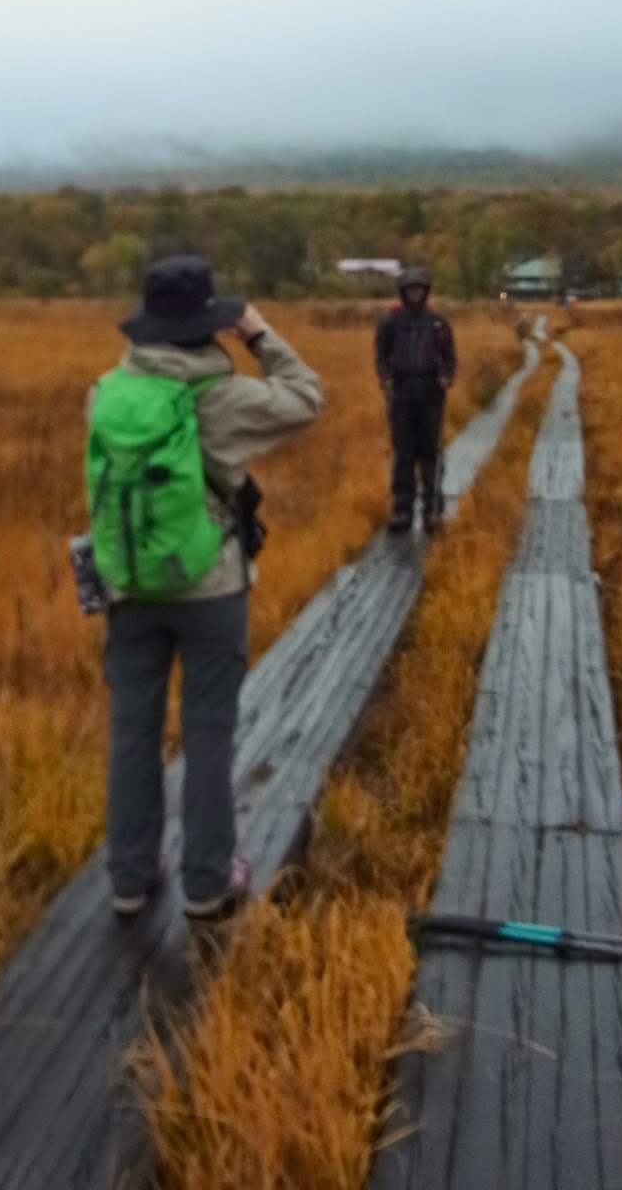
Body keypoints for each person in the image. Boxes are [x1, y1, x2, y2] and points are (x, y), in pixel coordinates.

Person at [87, 254, 323, 921]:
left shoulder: (105, 393)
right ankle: (206, 883)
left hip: (129, 587)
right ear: (206, 325)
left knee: (132, 728)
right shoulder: (224, 398)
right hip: (211, 587)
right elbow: (307, 395)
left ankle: (130, 878)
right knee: (208, 729)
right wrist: (256, 333)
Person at [374, 266, 456, 533]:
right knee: (404, 453)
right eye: (411, 289)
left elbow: (450, 358)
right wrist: (385, 380)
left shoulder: (438, 323)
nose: (415, 293)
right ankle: (402, 510)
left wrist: (447, 377)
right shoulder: (391, 323)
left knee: (431, 452)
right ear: (403, 292)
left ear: (426, 292)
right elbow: (381, 356)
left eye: (419, 289)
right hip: (401, 394)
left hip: (431, 393)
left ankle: (432, 510)